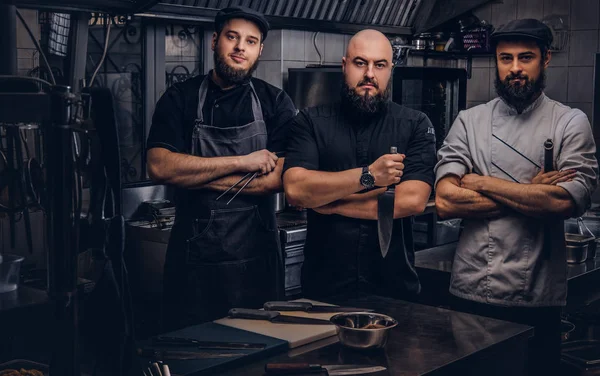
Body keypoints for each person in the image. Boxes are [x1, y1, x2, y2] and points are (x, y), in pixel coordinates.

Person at [434, 18, 598, 375]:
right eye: (505, 59)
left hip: (537, 296)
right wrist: (531, 191)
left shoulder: (570, 122)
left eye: (526, 58)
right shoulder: (469, 121)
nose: (515, 69)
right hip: (472, 292)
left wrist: (481, 182)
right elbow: (446, 201)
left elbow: (563, 202)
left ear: (546, 59)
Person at [146, 6, 297, 328]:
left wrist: (192, 175)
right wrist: (242, 162)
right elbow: (159, 167)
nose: (241, 47)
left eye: (251, 41)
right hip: (195, 261)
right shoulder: (180, 98)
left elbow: (278, 180)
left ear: (260, 50)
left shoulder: (276, 102)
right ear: (215, 41)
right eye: (232, 37)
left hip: (258, 259)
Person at [283, 29, 436, 300]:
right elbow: (296, 189)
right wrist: (370, 177)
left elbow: (411, 200)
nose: (369, 74)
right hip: (323, 290)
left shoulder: (416, 124)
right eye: (360, 63)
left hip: (394, 288)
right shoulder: (309, 122)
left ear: (391, 69)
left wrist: (331, 203)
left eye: (380, 65)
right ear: (344, 66)